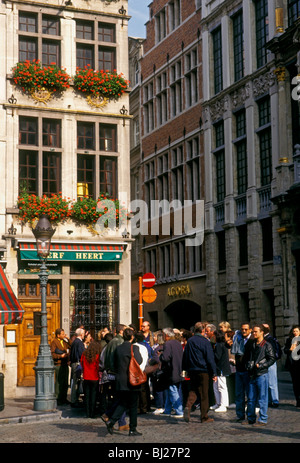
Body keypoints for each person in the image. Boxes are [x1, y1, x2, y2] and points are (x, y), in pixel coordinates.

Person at [104, 328, 143, 436]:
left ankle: (111, 421)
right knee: (133, 405)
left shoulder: (118, 348)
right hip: (132, 379)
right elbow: (139, 361)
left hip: (120, 379)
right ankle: (132, 429)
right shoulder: (133, 348)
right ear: (132, 337)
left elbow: (114, 363)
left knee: (123, 402)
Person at [182, 322, 217, 424]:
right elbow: (210, 358)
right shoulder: (205, 341)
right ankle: (204, 417)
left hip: (192, 370)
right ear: (202, 330)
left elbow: (185, 357)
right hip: (203, 371)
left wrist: (185, 369)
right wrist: (214, 372)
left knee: (193, 390)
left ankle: (188, 406)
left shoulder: (190, 341)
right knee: (204, 394)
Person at [245, 324, 276, 426]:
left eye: (255, 332)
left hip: (261, 374)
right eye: (253, 331)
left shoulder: (267, 345)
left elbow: (272, 359)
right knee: (250, 398)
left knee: (262, 398)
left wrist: (262, 365)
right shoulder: (252, 344)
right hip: (252, 374)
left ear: (261, 332)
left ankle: (263, 419)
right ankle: (251, 418)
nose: (253, 333)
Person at [101, 324, 128, 430]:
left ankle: (121, 422)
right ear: (121, 331)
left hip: (112, 372)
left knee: (119, 398)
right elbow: (118, 358)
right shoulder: (118, 342)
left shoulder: (113, 341)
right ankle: (108, 415)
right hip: (117, 373)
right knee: (121, 399)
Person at [159, 328, 184, 418]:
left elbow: (166, 358)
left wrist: (160, 356)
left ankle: (179, 410)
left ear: (167, 335)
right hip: (178, 370)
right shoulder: (177, 343)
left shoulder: (168, 344)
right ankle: (167, 410)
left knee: (172, 390)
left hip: (171, 370)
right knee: (171, 390)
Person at [231, 323, 253, 423]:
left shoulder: (252, 340)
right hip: (239, 370)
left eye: (246, 329)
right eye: (242, 329)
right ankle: (240, 415)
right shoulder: (238, 339)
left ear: (250, 330)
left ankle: (250, 416)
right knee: (239, 394)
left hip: (248, 371)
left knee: (249, 395)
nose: (243, 331)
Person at [211, 329, 231, 412]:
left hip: (221, 368)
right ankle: (218, 403)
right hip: (219, 368)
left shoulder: (219, 345)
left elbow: (217, 356)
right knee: (216, 386)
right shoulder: (220, 344)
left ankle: (223, 404)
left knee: (222, 387)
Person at [80, 341, 101, 418]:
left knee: (87, 396)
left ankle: (88, 412)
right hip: (94, 377)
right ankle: (92, 412)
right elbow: (98, 366)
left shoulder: (84, 354)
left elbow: (81, 363)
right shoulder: (97, 355)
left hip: (86, 377)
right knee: (93, 396)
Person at [50, 328, 70, 406]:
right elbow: (52, 354)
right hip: (58, 364)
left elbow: (71, 346)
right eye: (62, 334)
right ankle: (58, 398)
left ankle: (64, 398)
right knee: (59, 382)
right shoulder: (54, 342)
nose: (64, 335)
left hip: (65, 364)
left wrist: (68, 339)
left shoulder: (64, 342)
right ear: (58, 335)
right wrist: (60, 356)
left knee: (65, 382)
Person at [263, 323, 280, 408]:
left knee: (272, 383)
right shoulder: (266, 338)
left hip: (270, 363)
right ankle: (270, 400)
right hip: (267, 363)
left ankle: (274, 400)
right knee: (267, 382)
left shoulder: (270, 339)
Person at [284, 325, 300, 407]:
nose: (295, 333)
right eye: (294, 331)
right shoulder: (289, 340)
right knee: (295, 383)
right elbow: (285, 350)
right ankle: (298, 400)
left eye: (297, 331)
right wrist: (290, 349)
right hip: (293, 365)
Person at [70, 327, 85, 408]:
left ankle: (74, 399)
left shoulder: (75, 341)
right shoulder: (79, 342)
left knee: (75, 382)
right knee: (76, 382)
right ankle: (74, 400)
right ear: (81, 334)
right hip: (77, 364)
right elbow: (81, 354)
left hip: (74, 363)